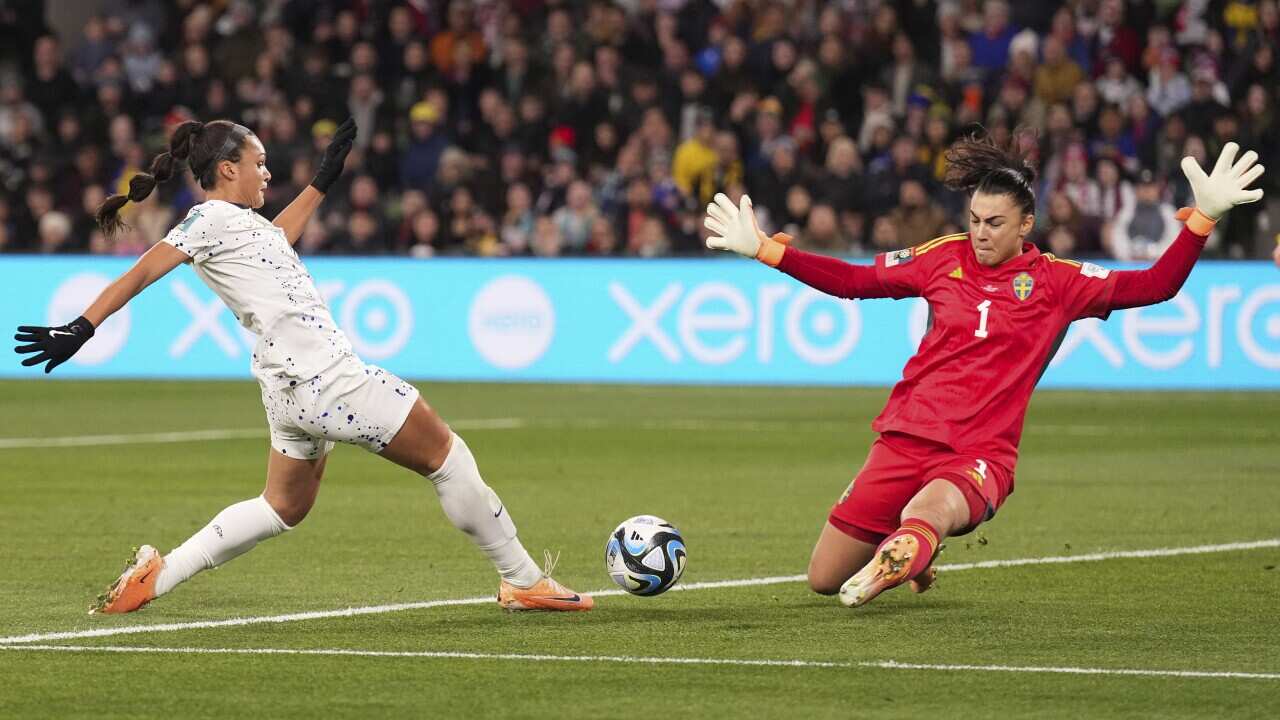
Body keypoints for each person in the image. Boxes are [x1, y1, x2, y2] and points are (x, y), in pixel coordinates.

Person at [13, 118, 592, 614]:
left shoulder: (240, 227)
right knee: (447, 457)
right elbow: (143, 270)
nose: (267, 173)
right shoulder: (207, 220)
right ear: (227, 169)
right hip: (327, 378)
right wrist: (81, 326)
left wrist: (322, 180)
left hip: (287, 392)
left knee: (282, 506)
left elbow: (275, 241)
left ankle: (157, 577)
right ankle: (522, 580)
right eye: (259, 163)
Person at [703, 135, 1264, 608]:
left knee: (931, 510)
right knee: (822, 579)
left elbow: (1154, 285)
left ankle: (909, 546)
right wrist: (766, 252)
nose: (981, 232)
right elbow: (854, 282)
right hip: (904, 437)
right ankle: (914, 553)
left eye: (995, 222)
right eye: (974, 219)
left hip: (979, 453)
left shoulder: (1058, 281)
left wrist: (1203, 220)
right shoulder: (940, 256)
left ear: (1026, 224)